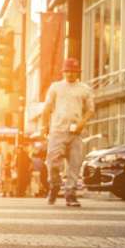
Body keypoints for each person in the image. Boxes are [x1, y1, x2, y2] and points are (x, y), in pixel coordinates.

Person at [42, 57, 95, 207]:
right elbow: (47, 108)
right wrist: (44, 126)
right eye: (67, 71)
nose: (70, 74)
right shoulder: (55, 87)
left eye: (73, 71)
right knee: (52, 162)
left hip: (76, 132)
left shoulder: (84, 89)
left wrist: (82, 123)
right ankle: (54, 185)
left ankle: (70, 194)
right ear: (63, 72)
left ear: (78, 72)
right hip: (57, 131)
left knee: (75, 164)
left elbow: (91, 110)